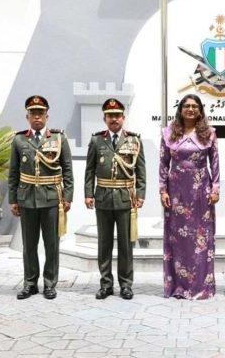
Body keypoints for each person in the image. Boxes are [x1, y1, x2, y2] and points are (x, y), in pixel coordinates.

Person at [9, 95, 74, 300]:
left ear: (47, 116)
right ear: (27, 116)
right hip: (27, 198)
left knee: (51, 244)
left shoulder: (58, 138)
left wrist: (68, 196)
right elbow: (13, 173)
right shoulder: (20, 139)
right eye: (33, 113)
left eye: (40, 113)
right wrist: (13, 199)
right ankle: (30, 283)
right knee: (29, 245)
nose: (37, 117)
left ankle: (49, 283)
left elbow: (67, 170)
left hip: (51, 198)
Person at [159, 94, 220, 299]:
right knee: (178, 239)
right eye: (187, 106)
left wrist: (215, 189)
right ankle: (178, 286)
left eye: (194, 106)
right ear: (181, 109)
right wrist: (163, 190)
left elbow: (215, 164)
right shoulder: (168, 133)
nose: (191, 109)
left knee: (201, 238)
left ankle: (201, 287)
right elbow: (163, 164)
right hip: (176, 192)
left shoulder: (209, 133)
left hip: (201, 190)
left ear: (200, 110)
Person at [84, 98, 146, 300]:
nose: (114, 119)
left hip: (125, 199)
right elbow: (90, 170)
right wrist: (88, 193)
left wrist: (140, 194)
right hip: (102, 198)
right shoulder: (96, 140)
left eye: (117, 115)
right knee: (104, 244)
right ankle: (106, 284)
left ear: (123, 117)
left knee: (126, 245)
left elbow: (140, 171)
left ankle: (126, 284)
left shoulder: (134, 140)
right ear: (104, 118)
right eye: (110, 116)